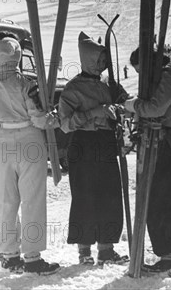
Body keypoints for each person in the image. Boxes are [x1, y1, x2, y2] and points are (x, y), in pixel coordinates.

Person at [0, 33, 60, 274]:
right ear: (16, 55)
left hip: (3, 140)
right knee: (32, 198)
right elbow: (38, 119)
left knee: (5, 198)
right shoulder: (27, 84)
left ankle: (9, 253)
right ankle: (33, 257)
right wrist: (53, 118)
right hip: (30, 140)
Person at [123, 48, 171, 273]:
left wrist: (133, 105)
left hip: (169, 144)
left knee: (159, 199)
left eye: (140, 72)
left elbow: (155, 107)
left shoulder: (167, 76)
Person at [59, 32, 129, 266]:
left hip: (106, 144)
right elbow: (65, 123)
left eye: (105, 59)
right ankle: (84, 251)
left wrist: (120, 106)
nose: (104, 64)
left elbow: (125, 105)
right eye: (100, 59)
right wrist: (94, 113)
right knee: (85, 196)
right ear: (89, 60)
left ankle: (107, 249)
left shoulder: (109, 84)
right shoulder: (73, 88)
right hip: (84, 145)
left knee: (109, 195)